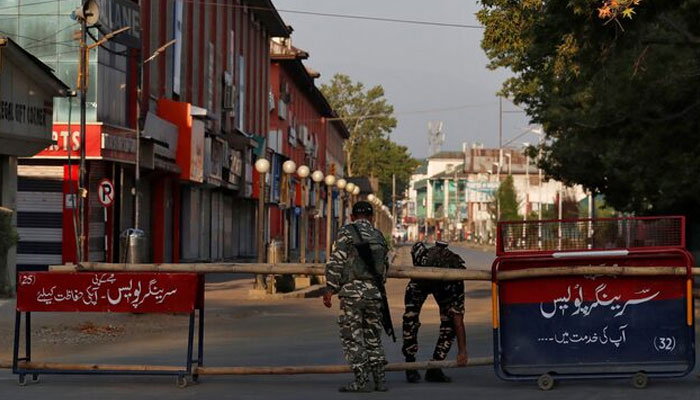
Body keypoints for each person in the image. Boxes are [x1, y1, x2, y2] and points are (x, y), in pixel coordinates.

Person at [323, 201, 391, 392]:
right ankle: (380, 381)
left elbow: (337, 261)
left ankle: (361, 381)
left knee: (353, 337)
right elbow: (384, 268)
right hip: (375, 295)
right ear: (372, 217)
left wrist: (329, 289)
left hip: (352, 294)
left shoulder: (347, 232)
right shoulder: (379, 236)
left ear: (352, 216)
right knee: (373, 338)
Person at [402, 241, 468, 383]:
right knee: (410, 319)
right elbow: (410, 315)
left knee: (449, 325)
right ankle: (410, 364)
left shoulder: (454, 278)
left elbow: (458, 321)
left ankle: (435, 367)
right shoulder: (422, 265)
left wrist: (462, 350)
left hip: (444, 284)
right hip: (422, 279)